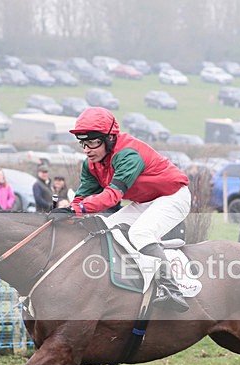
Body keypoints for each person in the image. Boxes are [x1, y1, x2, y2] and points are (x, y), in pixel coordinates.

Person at [55, 106, 191, 312]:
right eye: (83, 143)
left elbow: (111, 197)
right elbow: (82, 197)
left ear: (110, 138)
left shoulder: (128, 155)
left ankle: (171, 289)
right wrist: (67, 211)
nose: (87, 149)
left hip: (173, 195)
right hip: (146, 201)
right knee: (106, 227)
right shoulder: (91, 164)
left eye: (93, 142)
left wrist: (78, 209)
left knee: (140, 232)